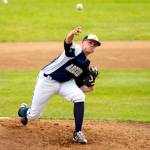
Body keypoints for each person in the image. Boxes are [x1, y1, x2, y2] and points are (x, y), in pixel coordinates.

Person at [18, 27, 101, 144]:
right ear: (83, 42)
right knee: (33, 116)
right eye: (90, 42)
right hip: (47, 81)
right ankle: (22, 110)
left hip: (65, 83)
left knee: (79, 96)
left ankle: (78, 133)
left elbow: (84, 88)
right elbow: (68, 42)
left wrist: (91, 82)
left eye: (95, 44)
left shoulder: (85, 65)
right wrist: (71, 33)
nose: (92, 45)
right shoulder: (76, 49)